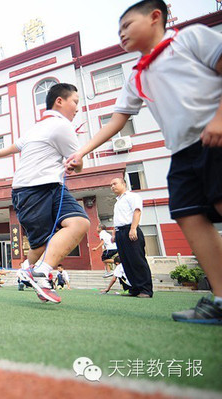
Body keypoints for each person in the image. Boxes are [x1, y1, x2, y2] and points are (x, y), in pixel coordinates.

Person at [66, 0, 222, 321]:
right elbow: (116, 121)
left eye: (126, 25)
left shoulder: (189, 40)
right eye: (118, 30)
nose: (121, 34)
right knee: (188, 215)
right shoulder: (137, 75)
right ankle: (220, 299)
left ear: (155, 18)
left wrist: (220, 118)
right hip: (181, 152)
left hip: (216, 139)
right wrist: (81, 151)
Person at [0, 83, 90, 304]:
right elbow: (77, 162)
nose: (77, 108)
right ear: (59, 101)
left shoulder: (38, 127)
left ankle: (36, 271)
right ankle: (32, 271)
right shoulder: (61, 126)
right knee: (40, 245)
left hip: (53, 186)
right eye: (75, 102)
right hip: (31, 189)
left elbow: (15, 146)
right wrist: (75, 165)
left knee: (79, 223)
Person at [109, 178, 153, 298]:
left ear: (123, 184)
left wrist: (133, 228)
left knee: (137, 260)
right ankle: (134, 288)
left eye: (115, 183)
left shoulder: (132, 196)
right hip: (120, 233)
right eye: (111, 185)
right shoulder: (117, 202)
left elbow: (137, 212)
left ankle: (145, 290)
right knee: (126, 261)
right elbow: (117, 219)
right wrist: (114, 234)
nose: (112, 186)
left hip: (130, 230)